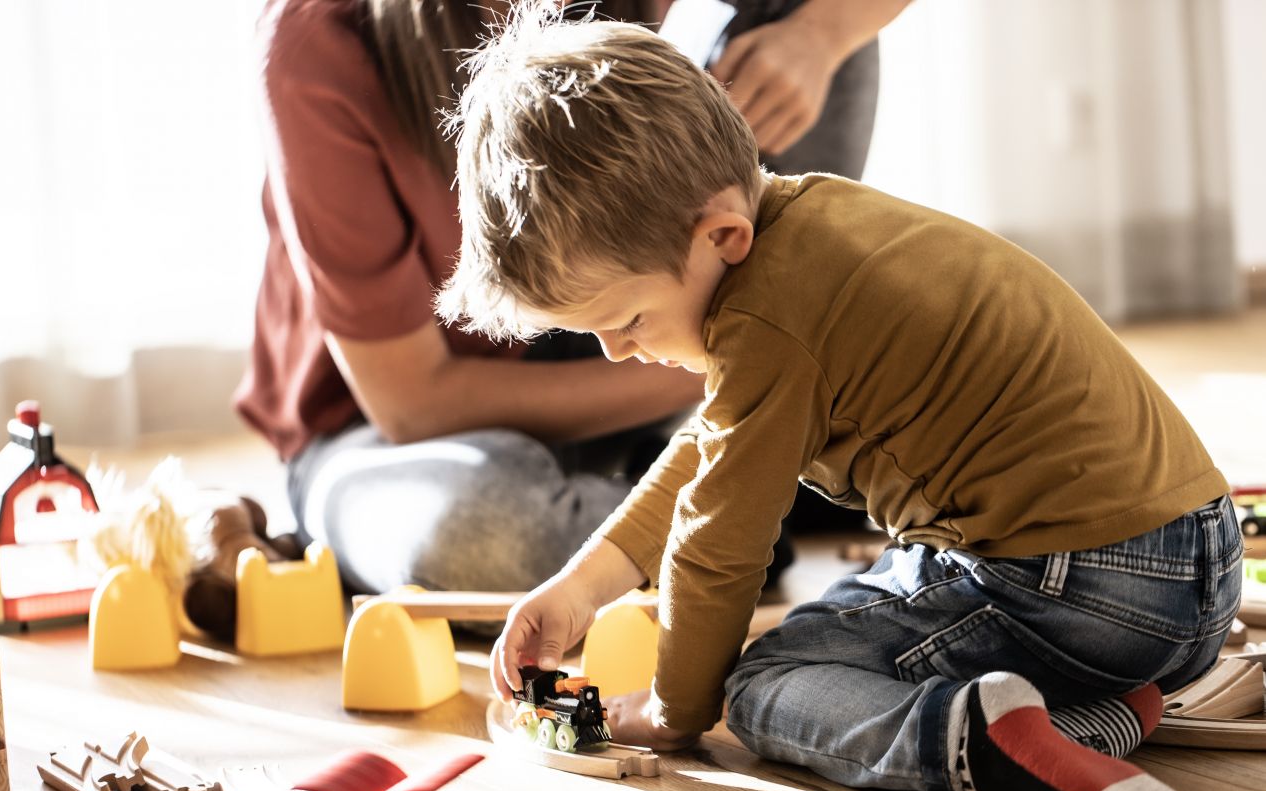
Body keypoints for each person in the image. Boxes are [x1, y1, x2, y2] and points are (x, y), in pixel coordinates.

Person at [440, 6, 1241, 791]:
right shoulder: (808, 233)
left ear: (721, 234)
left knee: (765, 686)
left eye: (628, 320)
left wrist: (675, 713)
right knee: (872, 602)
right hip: (1195, 580)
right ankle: (1097, 717)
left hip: (1083, 589)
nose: (614, 351)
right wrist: (581, 589)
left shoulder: (766, 323)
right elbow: (712, 455)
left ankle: (967, 741)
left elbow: (720, 546)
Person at [233, 0, 904, 599]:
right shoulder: (316, 39)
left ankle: (746, 473)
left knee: (807, 15)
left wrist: (821, 35)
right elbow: (413, 403)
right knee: (479, 533)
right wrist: (758, 361)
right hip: (392, 431)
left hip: (633, 343)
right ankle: (754, 477)